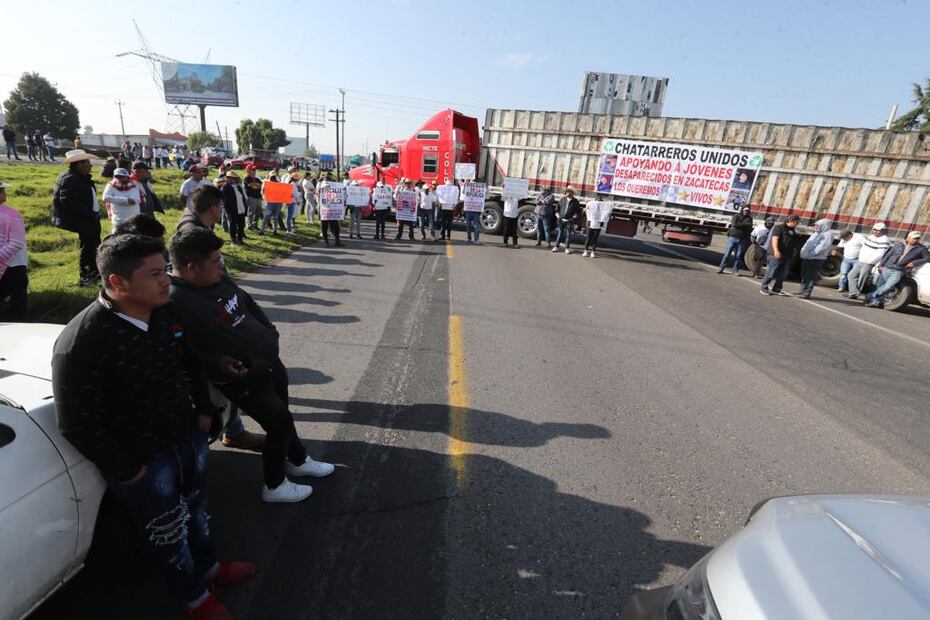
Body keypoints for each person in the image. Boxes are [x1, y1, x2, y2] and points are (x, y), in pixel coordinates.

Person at [52, 234, 256, 618]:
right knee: (168, 532)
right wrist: (129, 470)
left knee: (197, 509)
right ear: (117, 282)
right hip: (142, 460)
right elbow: (77, 423)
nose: (167, 280)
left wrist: (203, 412)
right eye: (156, 273)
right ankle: (195, 597)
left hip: (186, 438)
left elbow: (190, 360)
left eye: (166, 269)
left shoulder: (166, 312)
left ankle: (211, 568)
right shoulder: (84, 341)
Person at [167, 229, 335, 502]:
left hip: (268, 361)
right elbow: (182, 352)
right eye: (215, 260)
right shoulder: (175, 301)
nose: (221, 264)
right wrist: (216, 364)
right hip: (241, 377)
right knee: (279, 422)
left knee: (283, 412)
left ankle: (298, 459)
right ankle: (275, 485)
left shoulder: (217, 279)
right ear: (191, 268)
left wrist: (269, 331)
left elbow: (246, 302)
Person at [53, 150, 101, 287]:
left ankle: (94, 273)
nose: (90, 166)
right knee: (88, 247)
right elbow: (67, 201)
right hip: (83, 219)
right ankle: (86, 277)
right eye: (87, 162)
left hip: (89, 218)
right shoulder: (70, 179)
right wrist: (88, 213)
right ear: (79, 164)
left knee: (93, 246)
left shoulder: (79, 176)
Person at [865, 231, 930, 308]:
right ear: (908, 238)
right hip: (887, 267)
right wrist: (880, 265)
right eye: (914, 238)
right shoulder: (899, 244)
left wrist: (914, 263)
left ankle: (870, 296)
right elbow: (888, 254)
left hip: (898, 270)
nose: (916, 240)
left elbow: (927, 258)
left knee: (887, 287)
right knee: (879, 286)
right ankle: (875, 302)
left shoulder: (921, 248)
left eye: (917, 239)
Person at [0, 180, 28, 320]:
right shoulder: (12, 214)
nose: (4, 194)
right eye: (2, 191)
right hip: (13, 265)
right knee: (17, 304)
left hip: (9, 265)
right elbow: (16, 243)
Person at [845, 223, 892, 300]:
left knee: (862, 278)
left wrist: (870, 261)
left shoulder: (885, 239)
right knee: (851, 275)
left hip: (869, 262)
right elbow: (864, 246)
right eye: (875, 230)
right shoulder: (871, 237)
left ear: (883, 231)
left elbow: (880, 254)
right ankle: (854, 292)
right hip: (861, 260)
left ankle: (854, 294)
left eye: (879, 230)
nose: (876, 232)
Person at [760, 214, 800, 296]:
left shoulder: (792, 230)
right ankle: (764, 287)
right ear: (791, 221)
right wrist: (776, 251)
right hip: (776, 254)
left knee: (783, 274)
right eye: (796, 222)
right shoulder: (779, 228)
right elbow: (775, 239)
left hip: (787, 255)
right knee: (771, 272)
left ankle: (777, 289)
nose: (797, 224)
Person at [796, 218, 833, 298]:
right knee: (804, 274)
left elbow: (821, 247)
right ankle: (803, 290)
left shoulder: (827, 235)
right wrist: (803, 252)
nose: (816, 227)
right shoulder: (816, 233)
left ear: (824, 226)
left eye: (818, 226)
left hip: (816, 259)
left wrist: (810, 254)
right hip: (808, 257)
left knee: (810, 276)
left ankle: (806, 293)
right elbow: (807, 244)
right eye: (815, 225)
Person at [102, 168, 143, 232]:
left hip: (134, 219)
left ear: (127, 177)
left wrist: (114, 199)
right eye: (117, 176)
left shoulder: (134, 186)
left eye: (122, 176)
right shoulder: (111, 186)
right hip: (118, 219)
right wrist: (125, 200)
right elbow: (105, 197)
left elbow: (134, 200)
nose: (120, 178)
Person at [718, 206, 754, 274]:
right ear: (742, 210)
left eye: (748, 211)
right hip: (733, 237)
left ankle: (735, 270)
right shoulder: (736, 216)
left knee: (738, 256)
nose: (746, 212)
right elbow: (734, 224)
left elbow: (749, 227)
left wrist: (741, 225)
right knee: (727, 254)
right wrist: (744, 225)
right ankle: (721, 268)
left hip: (742, 239)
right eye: (745, 210)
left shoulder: (750, 218)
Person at [221, 171, 248, 245]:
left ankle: (240, 239)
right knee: (232, 226)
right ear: (228, 178)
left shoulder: (239, 186)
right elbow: (224, 201)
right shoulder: (225, 187)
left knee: (241, 225)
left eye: (234, 178)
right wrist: (227, 212)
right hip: (232, 210)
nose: (233, 180)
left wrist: (245, 208)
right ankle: (233, 241)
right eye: (231, 178)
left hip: (241, 209)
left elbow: (243, 198)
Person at [553, 186, 581, 254]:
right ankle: (556, 246)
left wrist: (573, 217)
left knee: (568, 234)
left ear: (572, 192)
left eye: (568, 191)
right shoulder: (562, 199)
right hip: (561, 220)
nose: (566, 192)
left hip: (569, 221)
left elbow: (578, 212)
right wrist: (558, 216)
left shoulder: (575, 201)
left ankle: (567, 248)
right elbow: (557, 208)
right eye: (566, 191)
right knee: (560, 233)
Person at [243, 165, 263, 230]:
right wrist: (256, 185)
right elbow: (253, 187)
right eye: (252, 170)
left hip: (258, 197)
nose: (254, 171)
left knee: (258, 212)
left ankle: (255, 225)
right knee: (251, 212)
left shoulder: (257, 179)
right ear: (248, 171)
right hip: (251, 197)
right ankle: (249, 225)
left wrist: (256, 185)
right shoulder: (246, 178)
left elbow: (261, 186)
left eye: (254, 170)